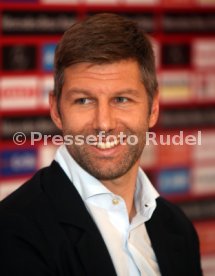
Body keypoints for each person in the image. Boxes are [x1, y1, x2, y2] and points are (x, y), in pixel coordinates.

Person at [0, 13, 202, 276]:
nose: (103, 123)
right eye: (83, 100)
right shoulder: (13, 232)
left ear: (153, 108)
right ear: (56, 109)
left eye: (121, 99)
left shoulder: (178, 228)